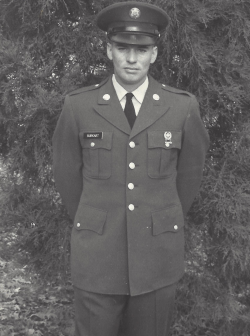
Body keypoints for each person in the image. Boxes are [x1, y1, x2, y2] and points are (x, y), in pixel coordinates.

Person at [52, 1, 209, 335]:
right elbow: (67, 177)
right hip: (97, 257)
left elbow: (190, 175)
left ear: (154, 53)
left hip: (157, 256)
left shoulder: (181, 107)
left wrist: (162, 216)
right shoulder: (79, 106)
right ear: (109, 50)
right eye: (123, 48)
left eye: (142, 49)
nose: (132, 58)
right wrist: (95, 219)